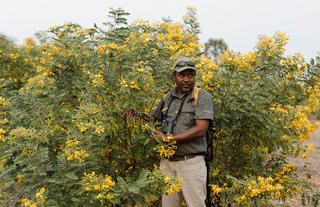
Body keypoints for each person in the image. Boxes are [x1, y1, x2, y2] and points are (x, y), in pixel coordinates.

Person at [151, 57, 213, 207]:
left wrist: (168, 139)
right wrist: (135, 116)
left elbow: (200, 130)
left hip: (191, 163)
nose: (186, 79)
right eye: (182, 75)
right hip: (167, 164)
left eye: (190, 75)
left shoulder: (202, 96)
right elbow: (153, 120)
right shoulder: (167, 97)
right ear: (174, 76)